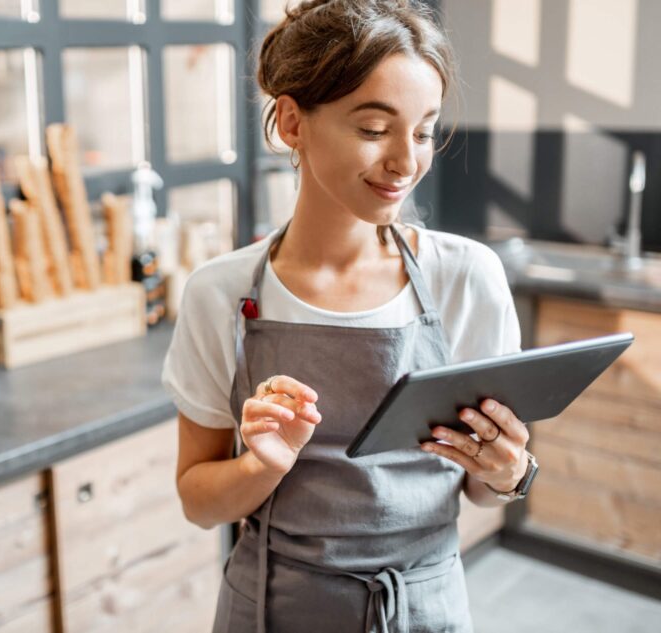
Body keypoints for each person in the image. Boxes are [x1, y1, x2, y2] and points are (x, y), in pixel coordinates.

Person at [162, 1, 536, 631]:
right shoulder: (220, 293)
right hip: (273, 609)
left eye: (422, 131)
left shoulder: (466, 278)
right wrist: (263, 464)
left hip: (425, 609)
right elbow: (199, 503)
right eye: (373, 129)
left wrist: (510, 472)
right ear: (291, 122)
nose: (405, 162)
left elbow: (480, 486)